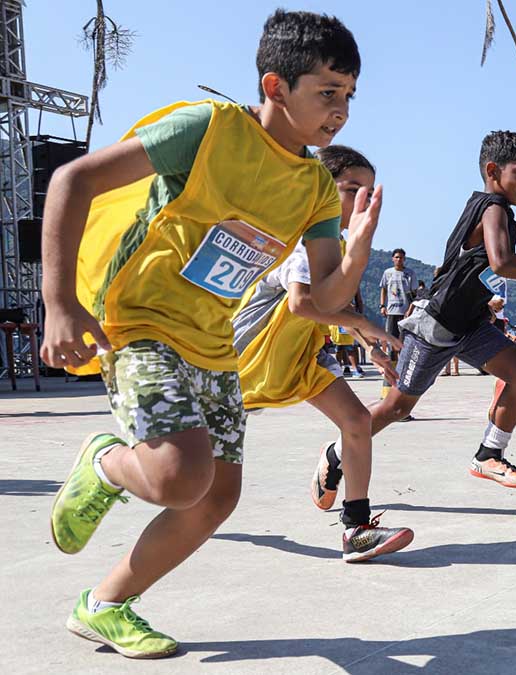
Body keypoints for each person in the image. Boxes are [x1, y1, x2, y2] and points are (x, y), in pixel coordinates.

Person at [41, 10, 375, 658]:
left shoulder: (314, 187)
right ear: (276, 87)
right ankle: (107, 463)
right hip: (141, 321)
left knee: (217, 495)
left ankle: (103, 605)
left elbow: (324, 298)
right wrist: (57, 302)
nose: (341, 110)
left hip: (213, 339)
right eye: (327, 93)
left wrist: (355, 258)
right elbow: (71, 180)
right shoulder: (210, 129)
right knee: (176, 478)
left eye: (349, 96)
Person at [347, 130, 516, 492]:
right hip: (438, 325)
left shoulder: (496, 210)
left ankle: (489, 455)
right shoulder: (493, 207)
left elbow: (484, 268)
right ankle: (338, 453)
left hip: (471, 324)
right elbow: (503, 261)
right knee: (397, 408)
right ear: (493, 170)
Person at [234, 144, 410, 562]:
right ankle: (114, 469)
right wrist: (368, 327)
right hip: (247, 360)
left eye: (368, 191)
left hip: (298, 358)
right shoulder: (302, 237)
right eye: (352, 189)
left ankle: (356, 529)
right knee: (189, 482)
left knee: (357, 422)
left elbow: (334, 306)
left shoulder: (335, 244)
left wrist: (371, 348)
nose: (361, 201)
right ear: (319, 188)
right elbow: (301, 302)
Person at [380, 248, 415, 362]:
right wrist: (382, 306)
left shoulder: (410, 273)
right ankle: (393, 366)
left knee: (405, 341)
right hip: (392, 312)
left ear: (404, 259)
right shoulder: (387, 273)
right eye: (397, 257)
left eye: (401, 257)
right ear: (392, 259)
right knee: (392, 340)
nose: (399, 259)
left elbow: (414, 294)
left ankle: (404, 365)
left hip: (405, 312)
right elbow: (384, 289)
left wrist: (410, 309)